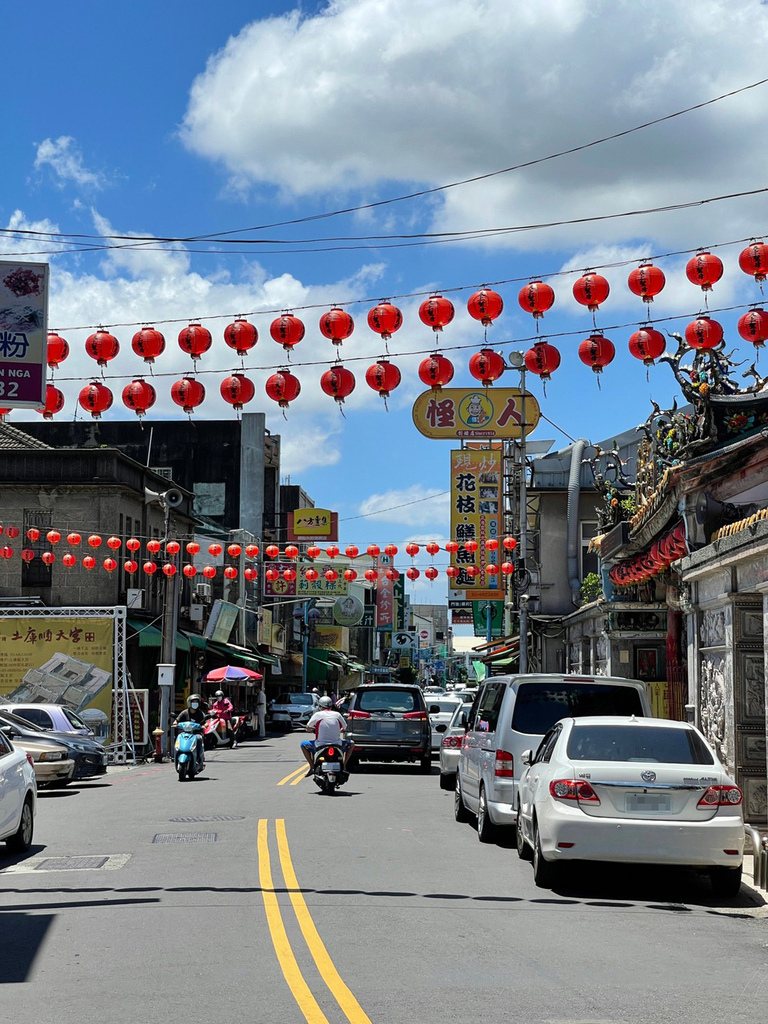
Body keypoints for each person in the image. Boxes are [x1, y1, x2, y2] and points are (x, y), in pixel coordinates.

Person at [301, 695, 353, 776]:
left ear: (320, 706)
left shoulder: (317, 715)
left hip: (320, 744)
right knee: (352, 744)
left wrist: (310, 730)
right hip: (337, 744)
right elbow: (345, 727)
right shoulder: (337, 714)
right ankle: (344, 765)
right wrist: (342, 730)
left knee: (303, 745)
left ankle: (311, 767)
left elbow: (308, 727)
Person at [173, 693, 206, 770]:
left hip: (196, 733)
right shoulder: (185, 712)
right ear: (189, 703)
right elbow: (177, 720)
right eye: (193, 702)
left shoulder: (200, 713)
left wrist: (204, 726)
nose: (195, 704)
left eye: (196, 702)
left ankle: (198, 759)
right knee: (179, 737)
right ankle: (177, 755)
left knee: (198, 739)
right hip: (185, 733)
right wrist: (175, 723)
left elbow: (205, 722)